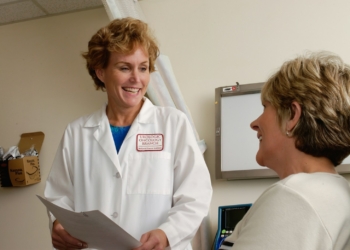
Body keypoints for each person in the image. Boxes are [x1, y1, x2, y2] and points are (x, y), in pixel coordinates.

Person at [44, 17, 212, 250]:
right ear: (101, 72)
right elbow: (58, 197)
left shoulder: (173, 124)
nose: (136, 78)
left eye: (143, 68)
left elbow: (195, 197)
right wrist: (58, 225)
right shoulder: (77, 133)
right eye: (125, 67)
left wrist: (167, 234)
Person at [220, 51, 350, 250]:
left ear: (292, 116)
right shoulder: (336, 193)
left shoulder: (295, 198)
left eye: (264, 107)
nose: (254, 124)